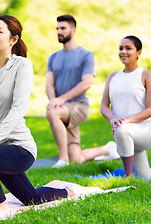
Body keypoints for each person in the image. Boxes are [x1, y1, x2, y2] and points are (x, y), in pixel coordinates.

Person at [0, 15, 80, 219]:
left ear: (13, 39)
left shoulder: (22, 66)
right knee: (31, 199)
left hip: (19, 149)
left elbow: (18, 108)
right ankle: (65, 191)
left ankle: (0, 206)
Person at [100, 35, 151, 180]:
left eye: (128, 48)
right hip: (125, 133)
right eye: (120, 48)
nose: (123, 52)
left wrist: (125, 121)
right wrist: (113, 118)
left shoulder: (146, 75)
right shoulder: (112, 77)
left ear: (139, 52)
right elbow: (103, 106)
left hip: (146, 130)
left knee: (121, 129)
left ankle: (128, 177)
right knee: (145, 177)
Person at [46, 14, 119, 168]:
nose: (59, 31)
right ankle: (108, 149)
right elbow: (49, 84)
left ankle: (63, 160)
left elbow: (86, 83)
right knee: (77, 158)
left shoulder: (86, 55)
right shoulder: (53, 58)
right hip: (62, 107)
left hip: (79, 106)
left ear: (73, 30)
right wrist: (54, 101)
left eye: (63, 28)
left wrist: (61, 100)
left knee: (52, 113)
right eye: (57, 28)